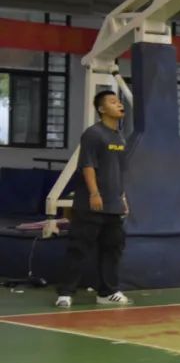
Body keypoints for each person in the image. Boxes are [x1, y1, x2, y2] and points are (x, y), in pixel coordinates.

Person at [56, 90, 132, 309]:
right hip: (91, 204)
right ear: (101, 109)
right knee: (79, 249)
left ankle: (107, 292)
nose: (119, 104)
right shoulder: (93, 134)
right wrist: (94, 193)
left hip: (114, 206)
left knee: (112, 249)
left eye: (119, 101)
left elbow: (119, 171)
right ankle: (66, 293)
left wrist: (122, 198)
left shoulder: (120, 137)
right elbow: (87, 165)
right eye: (113, 102)